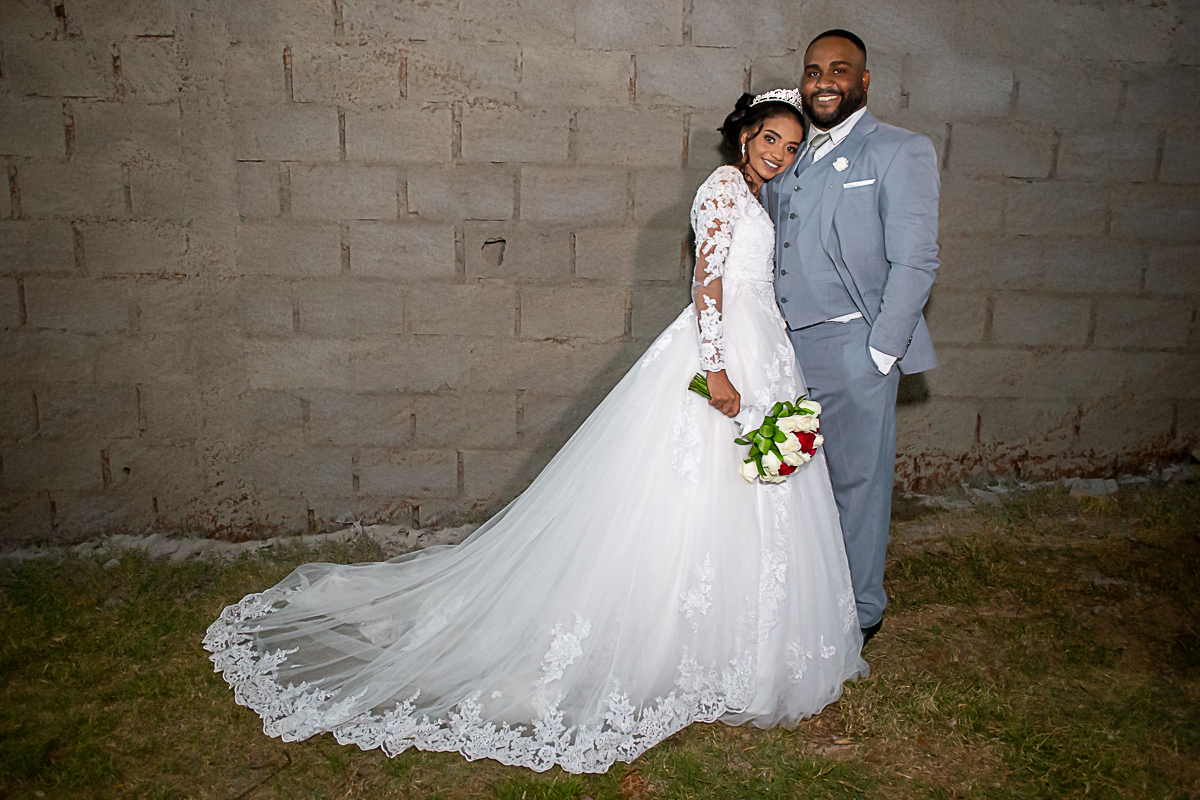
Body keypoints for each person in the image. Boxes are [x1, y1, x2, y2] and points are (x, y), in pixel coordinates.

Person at [203, 90, 866, 775]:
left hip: (763, 350)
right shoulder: (724, 188)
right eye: (770, 139)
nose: (780, 154)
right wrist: (718, 370)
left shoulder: (756, 196)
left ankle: (741, 649)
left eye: (792, 147)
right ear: (745, 134)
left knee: (748, 493)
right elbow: (708, 283)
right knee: (688, 490)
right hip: (723, 353)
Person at [764, 29, 941, 646]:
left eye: (839, 70)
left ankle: (860, 612)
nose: (824, 82)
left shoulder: (899, 150)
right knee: (784, 478)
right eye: (813, 71)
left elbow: (916, 259)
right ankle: (798, 602)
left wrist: (880, 352)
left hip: (853, 347)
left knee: (855, 484)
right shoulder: (789, 153)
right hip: (782, 349)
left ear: (863, 81)